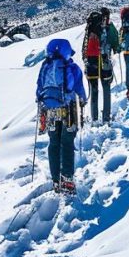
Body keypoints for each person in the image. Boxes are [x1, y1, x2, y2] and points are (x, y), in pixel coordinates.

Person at [35, 38, 87, 195]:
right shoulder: (72, 67)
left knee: (54, 143)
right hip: (68, 110)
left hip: (49, 109)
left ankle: (56, 180)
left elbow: (39, 88)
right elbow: (79, 89)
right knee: (67, 142)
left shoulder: (45, 66)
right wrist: (83, 101)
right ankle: (67, 179)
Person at [82, 7, 120, 124]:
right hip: (105, 62)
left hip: (91, 62)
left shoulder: (89, 29)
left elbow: (84, 47)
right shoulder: (110, 28)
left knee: (94, 90)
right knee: (106, 88)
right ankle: (106, 118)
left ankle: (94, 118)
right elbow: (117, 47)